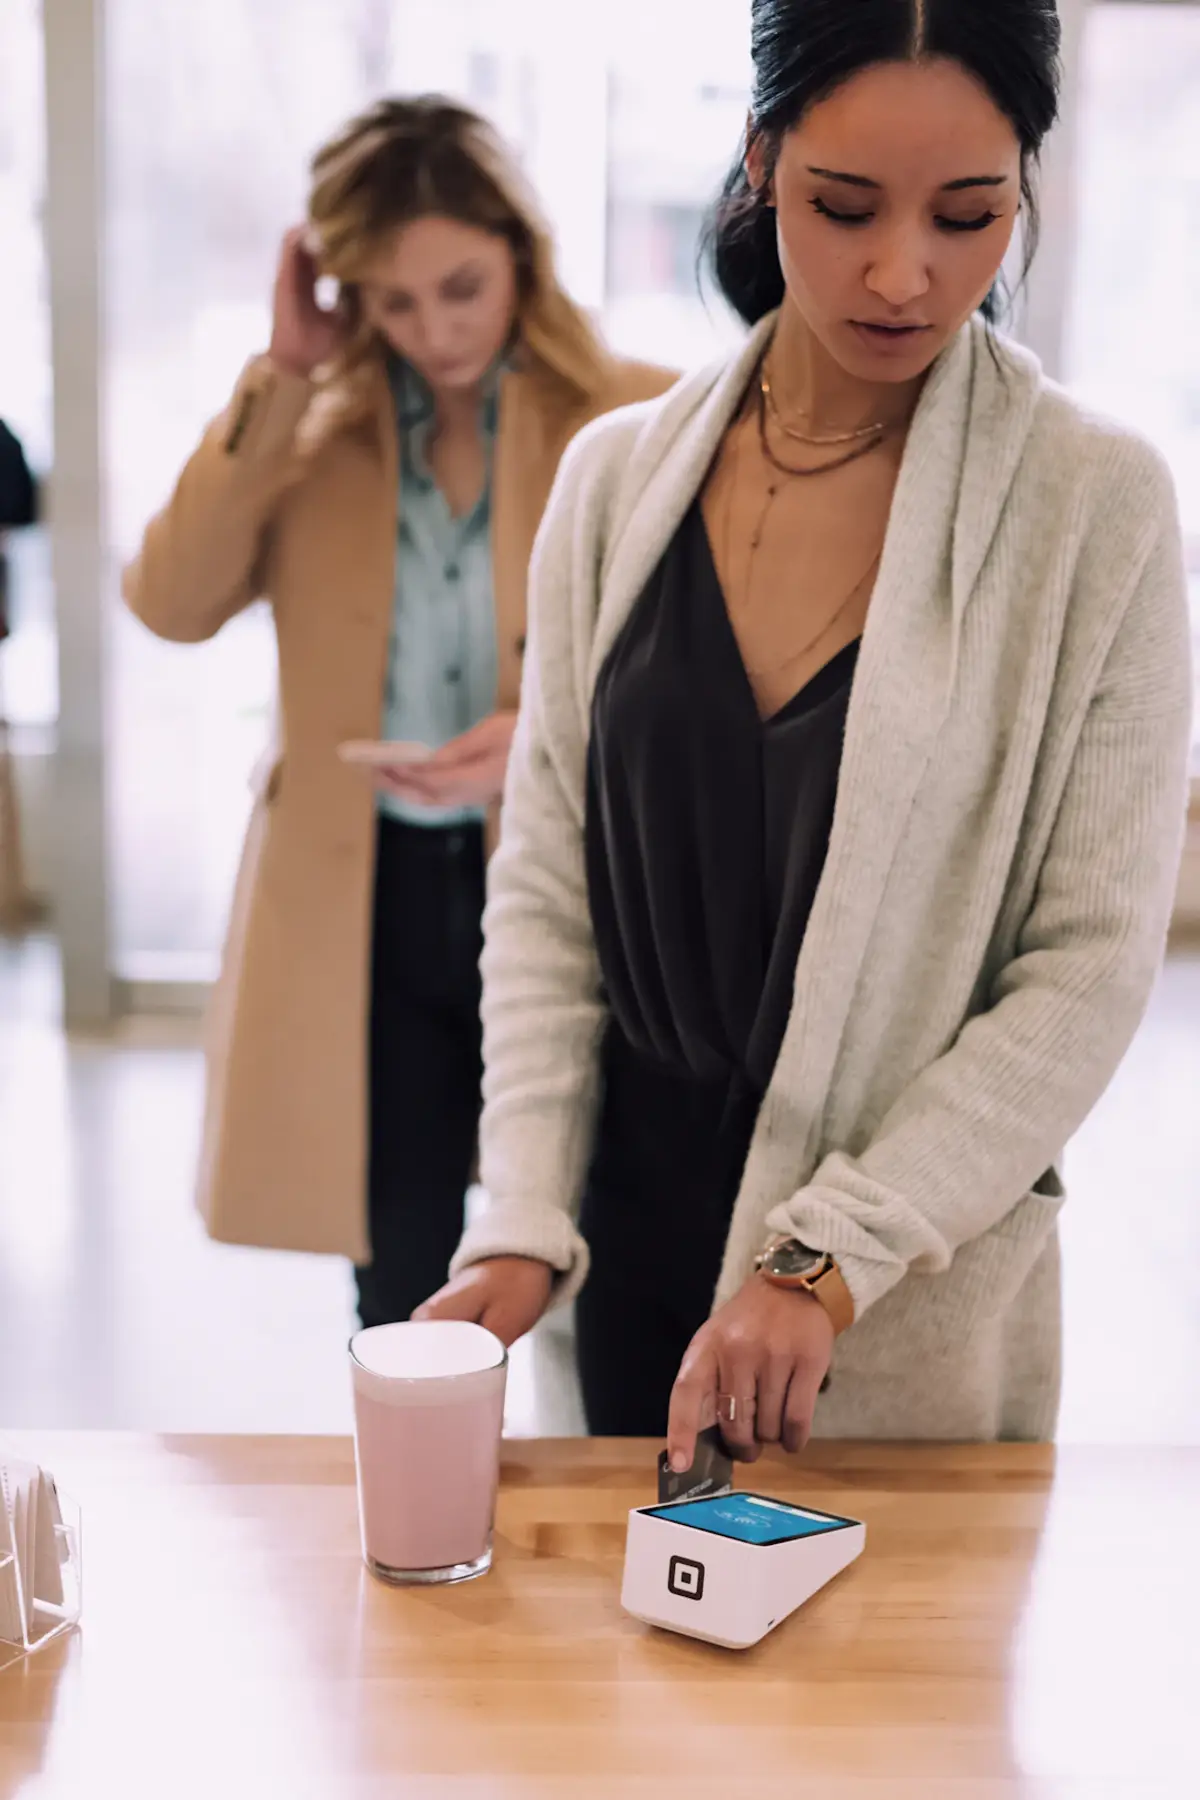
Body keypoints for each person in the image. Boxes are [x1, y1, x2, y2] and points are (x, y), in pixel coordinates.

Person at [416, 0, 1192, 1462]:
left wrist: (825, 1258)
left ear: (1028, 186)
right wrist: (518, 1211)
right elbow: (546, 894)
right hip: (627, 1240)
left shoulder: (1096, 510)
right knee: (603, 1681)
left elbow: (1086, 968)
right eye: (845, 207)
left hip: (890, 1300)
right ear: (761, 160)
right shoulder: (614, 483)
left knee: (876, 1684)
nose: (905, 272)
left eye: (970, 215)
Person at [123, 97, 674, 1326]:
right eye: (395, 300)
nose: (435, 330)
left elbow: (701, 681)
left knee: (606, 1245)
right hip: (360, 903)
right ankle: (427, 1516)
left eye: (462, 287)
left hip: (563, 888)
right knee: (405, 1278)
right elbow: (168, 602)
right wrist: (282, 374)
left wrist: (534, 746)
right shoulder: (305, 431)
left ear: (522, 253)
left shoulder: (635, 416)